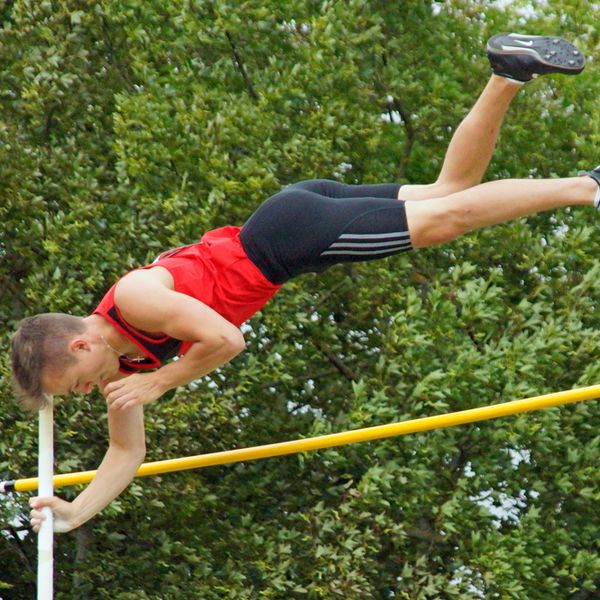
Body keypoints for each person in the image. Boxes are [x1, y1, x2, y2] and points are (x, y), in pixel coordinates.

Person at [14, 33, 598, 533]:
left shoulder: (134, 304)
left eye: (76, 385)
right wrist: (75, 512)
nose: (88, 394)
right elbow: (126, 451)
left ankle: (588, 186)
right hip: (289, 225)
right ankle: (508, 72)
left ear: (80, 344)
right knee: (452, 190)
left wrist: (163, 382)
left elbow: (226, 339)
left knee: (449, 219)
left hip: (289, 238)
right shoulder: (123, 367)